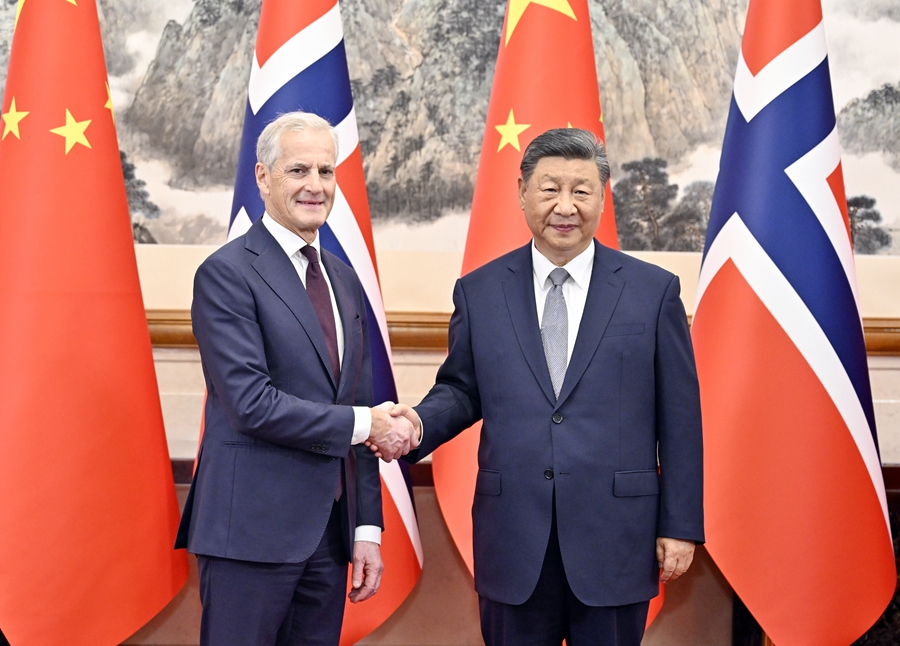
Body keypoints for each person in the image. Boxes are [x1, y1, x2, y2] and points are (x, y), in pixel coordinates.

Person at [390, 128, 704, 646]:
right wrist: (417, 424)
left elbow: (680, 420)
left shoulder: (653, 292)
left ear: (602, 197)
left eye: (581, 191)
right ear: (521, 192)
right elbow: (462, 390)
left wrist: (680, 524)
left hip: (616, 538)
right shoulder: (480, 291)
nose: (565, 206)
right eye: (550, 188)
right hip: (514, 536)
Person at [175, 111, 417, 646]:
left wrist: (366, 528)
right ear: (263, 177)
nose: (315, 185)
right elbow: (251, 404)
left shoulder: (344, 279)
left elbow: (359, 400)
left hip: (329, 539)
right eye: (298, 170)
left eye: (326, 171)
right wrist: (368, 424)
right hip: (249, 536)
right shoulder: (226, 273)